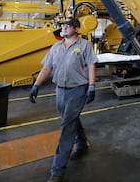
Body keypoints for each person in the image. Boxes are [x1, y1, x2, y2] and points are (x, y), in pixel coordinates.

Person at [29, 17, 98, 182]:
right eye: (63, 26)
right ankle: (81, 143)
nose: (64, 28)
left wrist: (91, 86)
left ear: (76, 29)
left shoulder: (84, 46)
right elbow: (47, 67)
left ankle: (57, 171)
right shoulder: (56, 47)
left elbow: (91, 66)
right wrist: (36, 85)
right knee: (70, 119)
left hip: (78, 90)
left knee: (67, 126)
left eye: (67, 25)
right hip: (60, 90)